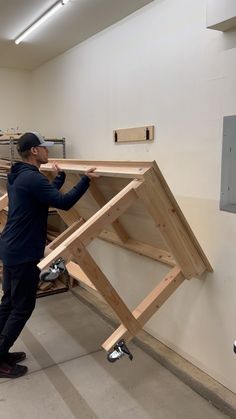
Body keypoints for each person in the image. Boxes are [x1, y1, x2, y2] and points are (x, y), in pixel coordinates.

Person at [0, 131, 97, 378]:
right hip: (22, 253)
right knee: (22, 308)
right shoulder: (32, 178)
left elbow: (44, 198)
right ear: (34, 151)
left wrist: (61, 177)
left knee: (9, 303)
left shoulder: (20, 175)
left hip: (11, 248)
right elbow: (63, 203)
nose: (47, 151)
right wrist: (85, 180)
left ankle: (1, 350)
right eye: (44, 148)